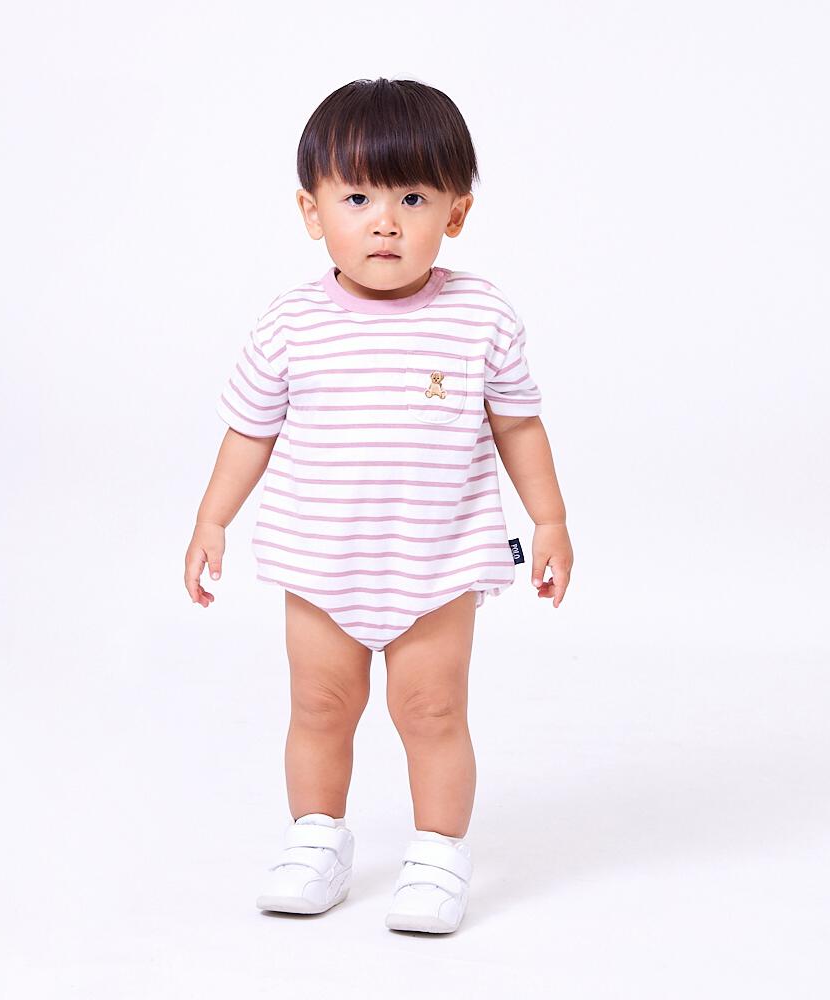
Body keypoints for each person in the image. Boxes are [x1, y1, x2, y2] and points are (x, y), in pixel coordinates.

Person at [184, 77, 573, 934]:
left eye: (413, 198)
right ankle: (316, 841)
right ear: (312, 211)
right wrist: (213, 520)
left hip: (436, 563)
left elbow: (518, 424)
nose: (386, 222)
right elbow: (249, 432)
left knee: (431, 711)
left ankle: (437, 854)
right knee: (319, 708)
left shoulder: (479, 316)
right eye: (357, 198)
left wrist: (549, 520)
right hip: (321, 562)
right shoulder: (290, 323)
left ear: (457, 213)